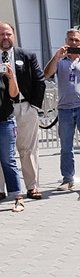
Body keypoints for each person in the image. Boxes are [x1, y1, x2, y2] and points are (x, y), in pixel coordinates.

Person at [43, 29, 80, 192]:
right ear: (66, 41)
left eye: (77, 40)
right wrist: (56, 56)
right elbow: (47, 74)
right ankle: (68, 179)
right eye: (71, 40)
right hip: (65, 109)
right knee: (66, 146)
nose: (74, 43)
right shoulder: (60, 61)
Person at [0, 21, 46, 200]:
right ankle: (1, 189)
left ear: (14, 35)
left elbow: (40, 80)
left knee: (27, 149)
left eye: (8, 34)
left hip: (24, 107)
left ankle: (32, 186)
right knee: (2, 152)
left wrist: (33, 106)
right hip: (2, 110)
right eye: (1, 34)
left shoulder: (27, 55)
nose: (5, 38)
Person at [0, 52, 24, 211]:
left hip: (5, 121)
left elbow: (14, 95)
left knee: (8, 160)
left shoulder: (3, 72)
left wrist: (11, 76)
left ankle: (18, 197)